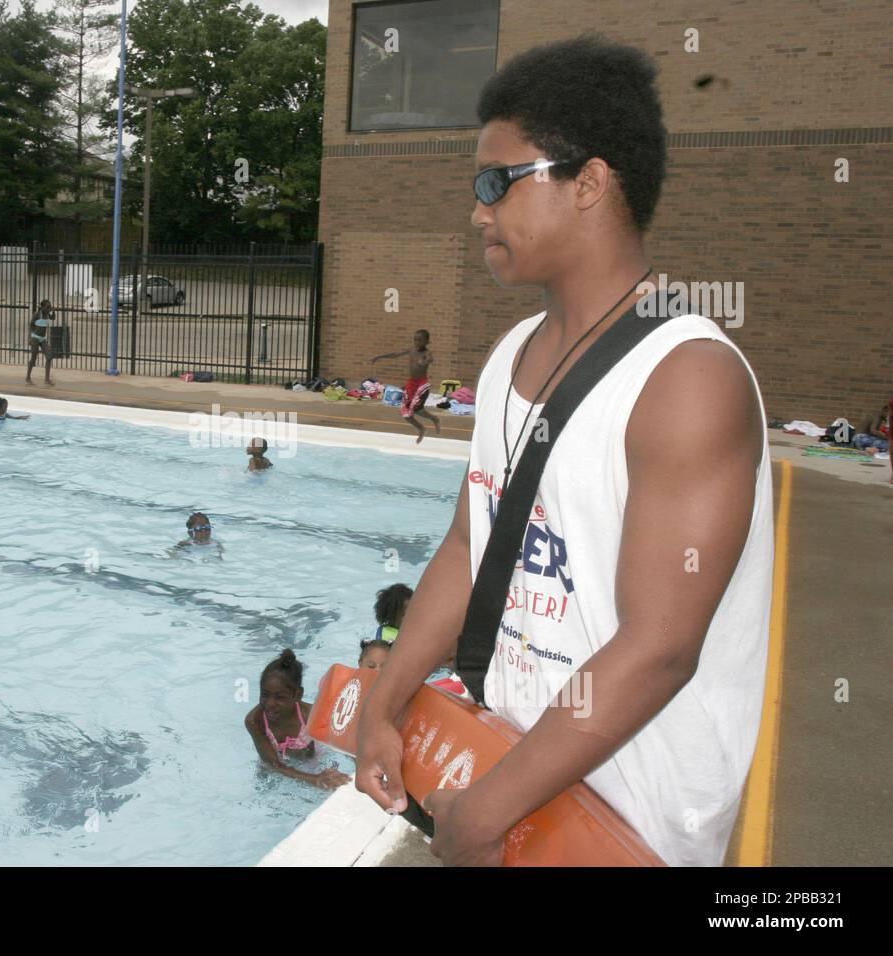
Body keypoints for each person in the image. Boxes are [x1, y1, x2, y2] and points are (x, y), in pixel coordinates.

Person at [355, 35, 774, 868]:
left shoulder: (687, 379)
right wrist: (385, 699)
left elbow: (659, 646)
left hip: (627, 818)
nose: (478, 211)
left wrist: (484, 813)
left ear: (589, 182)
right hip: (509, 765)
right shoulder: (512, 353)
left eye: (495, 183)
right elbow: (472, 543)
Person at [243, 649, 351, 789]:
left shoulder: (311, 715)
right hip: (274, 764)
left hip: (309, 761)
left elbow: (345, 742)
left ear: (298, 694)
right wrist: (315, 779)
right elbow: (272, 764)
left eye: (280, 697)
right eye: (265, 694)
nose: (270, 703)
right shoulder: (254, 721)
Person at [371, 329, 441, 443]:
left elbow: (430, 358)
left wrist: (424, 362)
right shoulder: (411, 350)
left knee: (417, 409)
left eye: (420, 340)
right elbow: (395, 355)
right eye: (415, 340)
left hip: (422, 384)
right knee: (405, 412)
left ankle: (435, 419)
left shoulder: (426, 353)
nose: (417, 342)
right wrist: (379, 356)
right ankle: (421, 429)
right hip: (411, 384)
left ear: (427, 341)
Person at [26, 300, 55, 386]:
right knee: (33, 358)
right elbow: (31, 325)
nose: (49, 309)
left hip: (42, 338)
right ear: (42, 307)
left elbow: (53, 318)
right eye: (47, 307)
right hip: (35, 337)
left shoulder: (47, 314)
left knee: (49, 357)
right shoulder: (37, 314)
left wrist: (53, 312)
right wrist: (30, 337)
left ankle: (47, 379)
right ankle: (28, 377)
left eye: (50, 307)